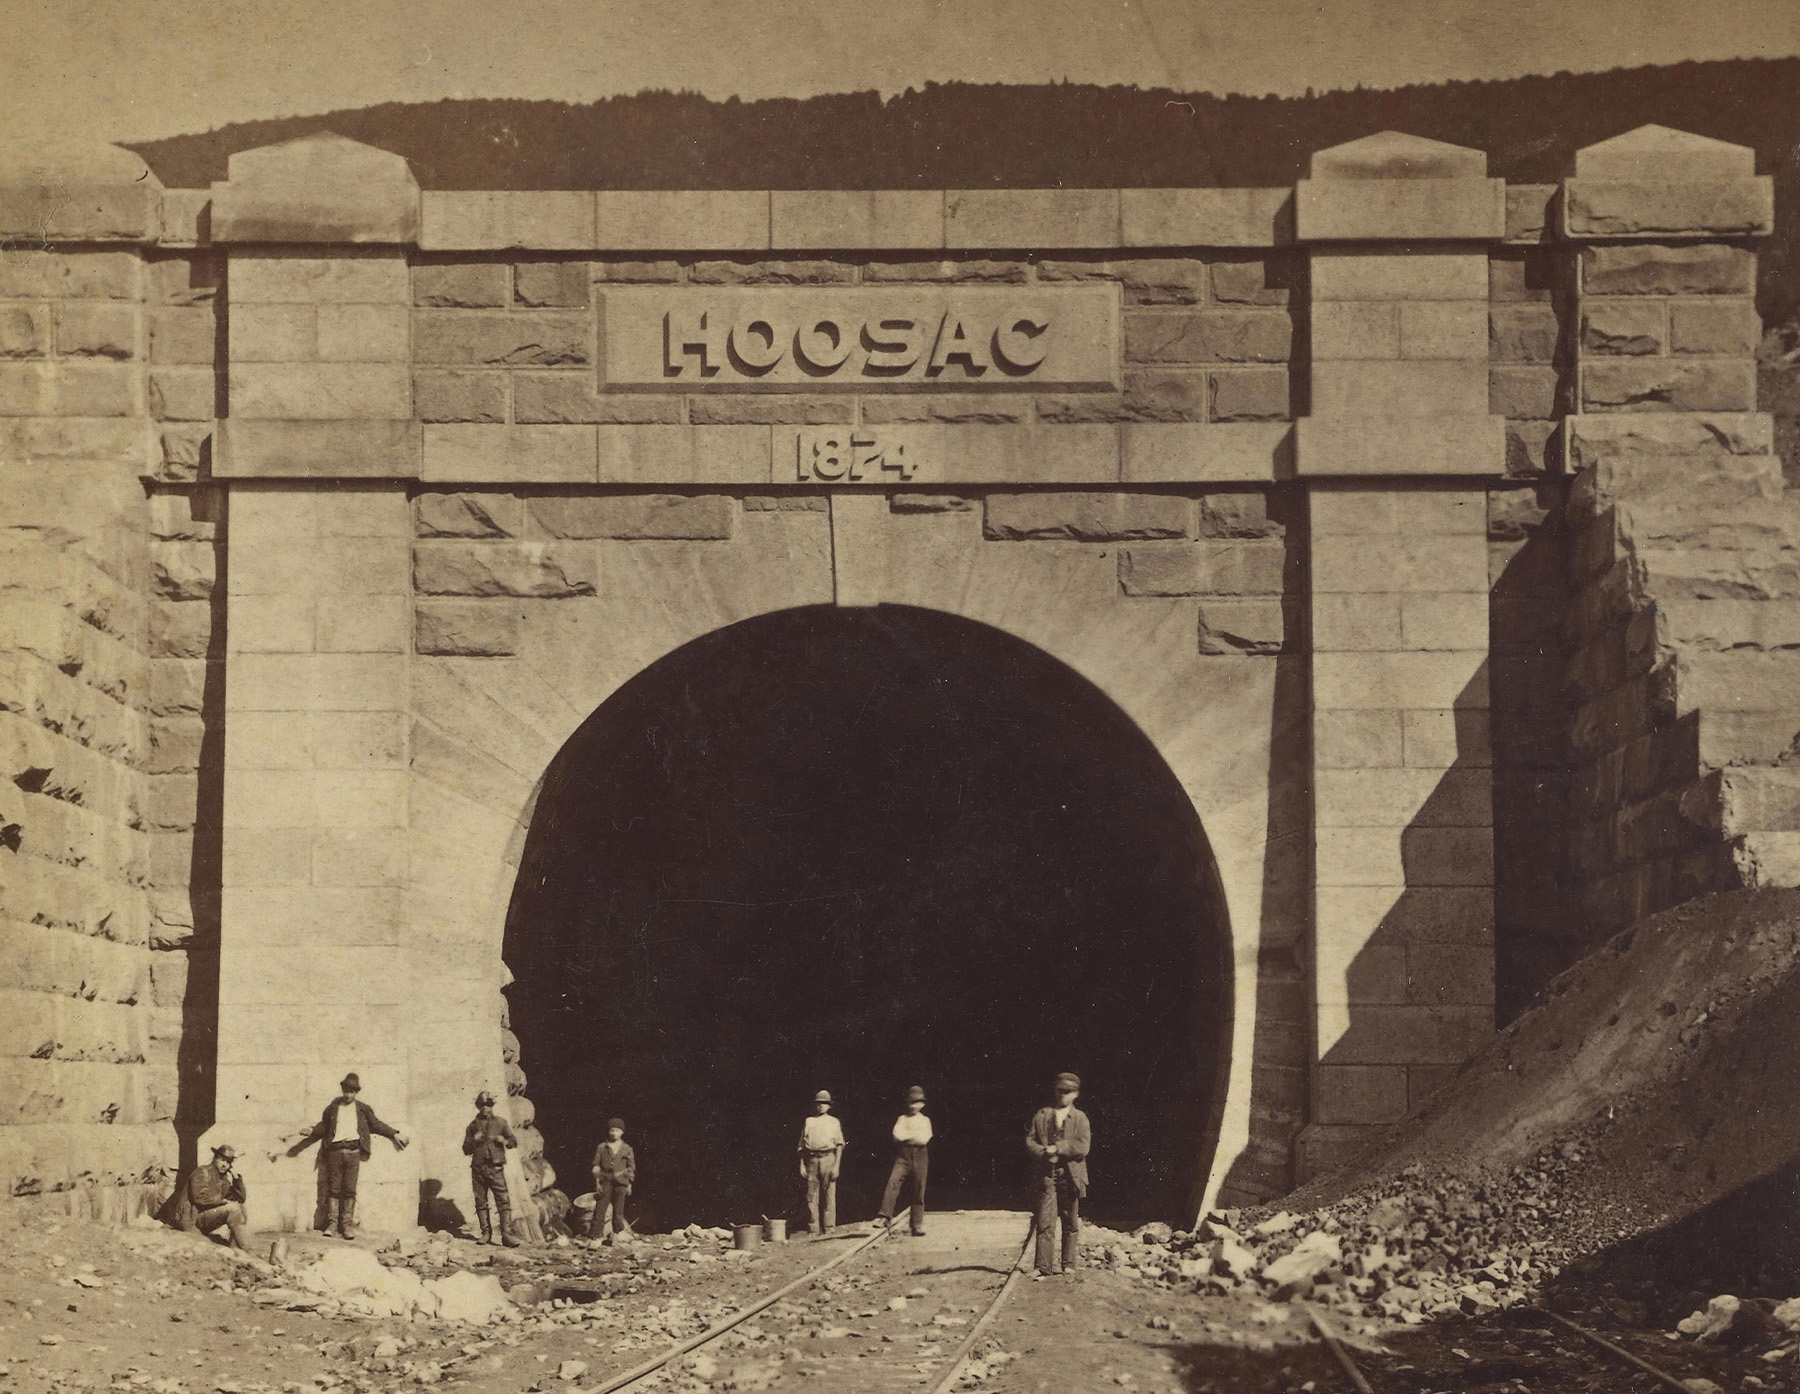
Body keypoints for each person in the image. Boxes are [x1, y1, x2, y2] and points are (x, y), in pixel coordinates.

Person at [285, 1072, 408, 1240]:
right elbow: (324, 1126)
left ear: (356, 1092)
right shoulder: (334, 1107)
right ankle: (332, 1224)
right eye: (346, 1091)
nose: (348, 1094)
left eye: (352, 1092)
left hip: (353, 1153)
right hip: (335, 1152)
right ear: (342, 1090)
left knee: (349, 1190)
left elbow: (377, 1125)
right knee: (333, 1189)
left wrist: (394, 1134)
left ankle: (347, 1225)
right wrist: (311, 1130)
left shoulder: (362, 1109)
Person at [1025, 1071, 1091, 1277]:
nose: (1063, 1095)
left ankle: (1068, 1263)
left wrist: (1059, 1148)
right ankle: (1042, 1266)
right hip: (1047, 1174)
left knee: (1070, 1220)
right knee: (1045, 1220)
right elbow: (1030, 1141)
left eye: (1068, 1092)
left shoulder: (1080, 1118)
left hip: (1071, 1175)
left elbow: (1083, 1146)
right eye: (1060, 1091)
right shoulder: (1042, 1115)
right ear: (1055, 1090)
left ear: (1076, 1094)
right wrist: (1043, 1151)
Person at [462, 1090, 521, 1247]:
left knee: (503, 1200)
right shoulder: (472, 1126)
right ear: (478, 1107)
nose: (485, 1108)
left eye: (488, 1105)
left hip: (496, 1168)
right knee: (481, 1201)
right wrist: (473, 1141)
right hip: (478, 1169)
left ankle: (506, 1235)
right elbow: (465, 1149)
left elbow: (513, 1141)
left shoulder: (501, 1123)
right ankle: (485, 1233)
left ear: (492, 1106)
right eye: (481, 1105)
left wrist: (504, 1141)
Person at [877, 1085, 931, 1237]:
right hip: (904, 1155)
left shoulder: (925, 1120)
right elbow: (897, 1136)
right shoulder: (902, 1118)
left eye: (917, 1102)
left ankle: (917, 1224)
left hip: (920, 1155)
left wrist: (908, 1136)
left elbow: (923, 1139)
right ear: (907, 1103)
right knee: (893, 1181)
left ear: (922, 1104)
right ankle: (884, 1216)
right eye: (911, 1102)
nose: (914, 1106)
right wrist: (912, 1136)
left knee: (919, 1189)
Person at [180, 1144, 251, 1250]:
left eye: (228, 1162)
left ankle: (236, 1248)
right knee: (233, 1208)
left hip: (205, 1218)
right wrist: (222, 1202)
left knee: (241, 1207)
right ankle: (247, 1250)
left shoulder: (223, 1181)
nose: (225, 1165)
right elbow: (199, 1198)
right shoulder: (202, 1172)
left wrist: (236, 1177)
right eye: (222, 1160)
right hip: (192, 1219)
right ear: (215, 1158)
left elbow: (240, 1198)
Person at [797, 1090, 845, 1237]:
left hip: (828, 1158)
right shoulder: (809, 1121)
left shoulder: (834, 1122)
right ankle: (813, 1229)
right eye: (818, 1103)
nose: (821, 1106)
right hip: (811, 1159)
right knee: (812, 1196)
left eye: (824, 1103)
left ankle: (829, 1228)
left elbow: (839, 1145)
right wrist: (802, 1164)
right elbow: (801, 1146)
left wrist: (836, 1166)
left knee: (829, 1193)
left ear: (829, 1106)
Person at [590, 1118, 636, 1244]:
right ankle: (595, 1236)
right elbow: (596, 1165)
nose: (614, 1133)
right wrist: (597, 1183)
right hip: (605, 1180)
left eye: (617, 1130)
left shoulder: (627, 1149)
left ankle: (616, 1234)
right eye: (612, 1130)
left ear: (622, 1132)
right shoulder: (602, 1147)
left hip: (621, 1182)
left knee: (618, 1209)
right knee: (600, 1208)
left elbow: (631, 1167)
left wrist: (630, 1183)